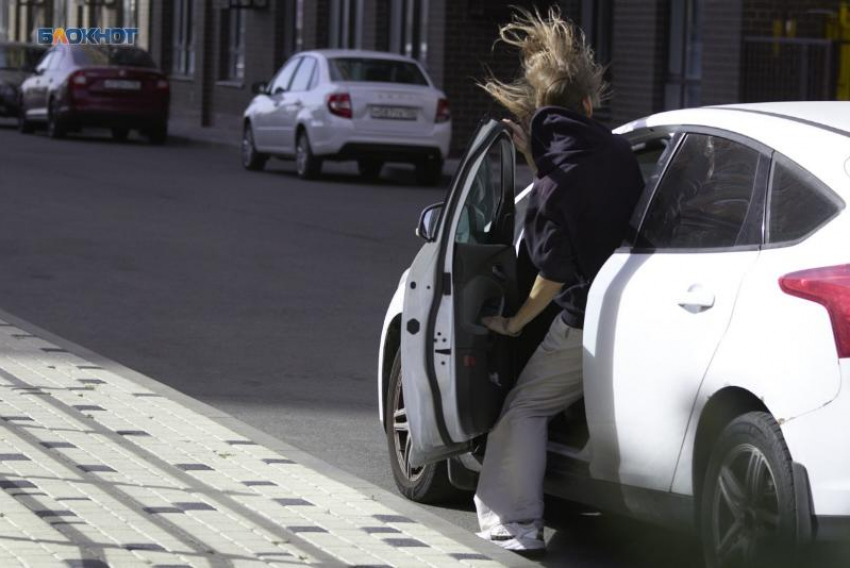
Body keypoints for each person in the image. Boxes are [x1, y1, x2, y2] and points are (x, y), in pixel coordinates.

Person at [474, 8, 645, 554]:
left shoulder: (553, 187)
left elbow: (553, 271)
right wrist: (536, 161)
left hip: (584, 319)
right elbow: (580, 188)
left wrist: (513, 321)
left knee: (525, 409)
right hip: (641, 303)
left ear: (541, 112)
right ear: (589, 106)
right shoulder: (620, 151)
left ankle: (515, 524)